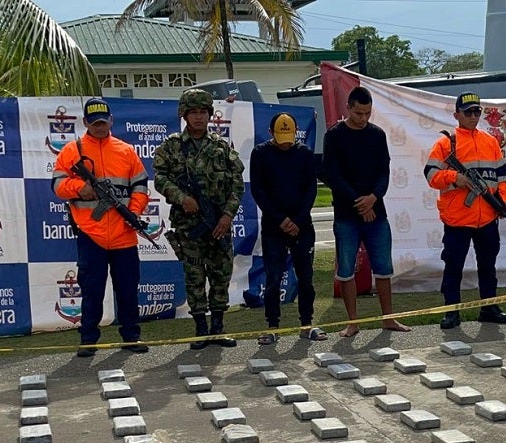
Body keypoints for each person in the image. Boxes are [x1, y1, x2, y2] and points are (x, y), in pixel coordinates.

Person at [51, 97, 151, 357]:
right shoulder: (72, 151)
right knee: (92, 291)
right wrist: (79, 187)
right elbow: (57, 185)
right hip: (90, 234)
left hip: (124, 234)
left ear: (111, 121)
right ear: (85, 122)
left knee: (127, 290)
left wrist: (134, 212)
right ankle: (88, 340)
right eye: (94, 123)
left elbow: (140, 186)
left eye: (103, 122)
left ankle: (131, 337)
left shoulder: (126, 151)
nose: (100, 126)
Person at [154, 89, 246, 348]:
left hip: (218, 225)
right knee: (194, 277)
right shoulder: (172, 146)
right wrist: (182, 197)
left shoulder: (220, 146)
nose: (198, 117)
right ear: (184, 115)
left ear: (210, 114)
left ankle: (217, 328)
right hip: (188, 226)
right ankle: (201, 330)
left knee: (220, 276)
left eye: (203, 112)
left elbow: (237, 184)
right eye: (193, 112)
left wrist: (227, 215)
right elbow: (160, 177)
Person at [322, 86, 411, 338]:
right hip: (346, 213)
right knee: (346, 269)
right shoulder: (334, 135)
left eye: (367, 113)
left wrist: (373, 198)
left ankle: (388, 318)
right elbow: (332, 175)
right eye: (358, 113)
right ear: (348, 108)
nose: (363, 118)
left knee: (383, 267)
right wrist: (359, 203)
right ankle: (353, 322)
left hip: (376, 211)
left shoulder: (377, 135)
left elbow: (384, 171)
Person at [424, 91, 506, 329]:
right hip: (457, 218)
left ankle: (489, 307)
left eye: (477, 111)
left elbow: (501, 177)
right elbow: (430, 175)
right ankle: (451, 311)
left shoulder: (490, 142)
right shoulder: (446, 143)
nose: (473, 116)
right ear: (457, 115)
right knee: (453, 267)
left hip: (488, 216)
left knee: (488, 266)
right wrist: (455, 178)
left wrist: (502, 201)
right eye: (468, 112)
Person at [250, 113, 324, 344]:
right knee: (273, 277)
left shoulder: (304, 153)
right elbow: (258, 191)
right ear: (271, 133)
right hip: (274, 226)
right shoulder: (260, 153)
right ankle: (273, 326)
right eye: (281, 138)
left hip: (302, 225)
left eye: (289, 138)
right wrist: (281, 220)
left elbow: (311, 189)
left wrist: (298, 220)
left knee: (306, 277)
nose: (285, 143)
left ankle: (307, 324)